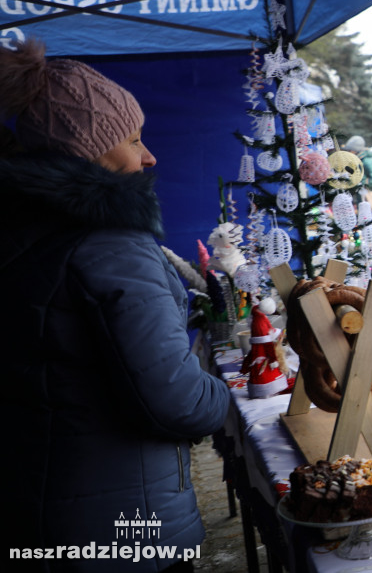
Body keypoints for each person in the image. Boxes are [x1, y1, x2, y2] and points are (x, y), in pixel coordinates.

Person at [0, 39, 230, 572]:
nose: (149, 155)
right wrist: (228, 398)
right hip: (125, 530)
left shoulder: (22, 235)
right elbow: (177, 401)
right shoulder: (109, 244)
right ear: (84, 154)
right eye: (132, 139)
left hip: (40, 510)